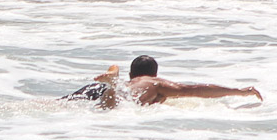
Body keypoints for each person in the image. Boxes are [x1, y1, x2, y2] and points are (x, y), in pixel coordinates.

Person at [63, 55, 262, 108]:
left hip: (95, 89)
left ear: (132, 74)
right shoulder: (155, 83)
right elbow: (194, 89)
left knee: (62, 104)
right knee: (112, 106)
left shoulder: (132, 82)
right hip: (118, 94)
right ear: (155, 73)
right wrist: (239, 91)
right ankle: (112, 85)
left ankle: (112, 84)